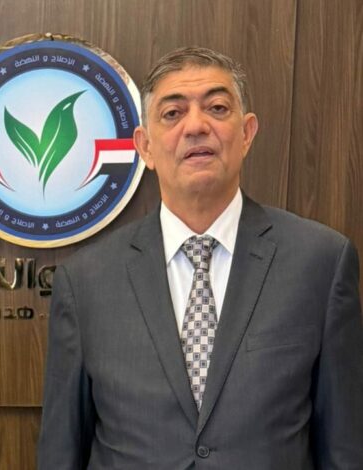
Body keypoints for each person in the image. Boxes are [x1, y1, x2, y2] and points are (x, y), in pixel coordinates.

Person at [38, 47, 363, 469]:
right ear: (145, 147)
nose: (196, 126)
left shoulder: (320, 262)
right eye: (172, 113)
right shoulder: (85, 280)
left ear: (246, 133)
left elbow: (344, 447)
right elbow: (62, 449)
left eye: (217, 108)